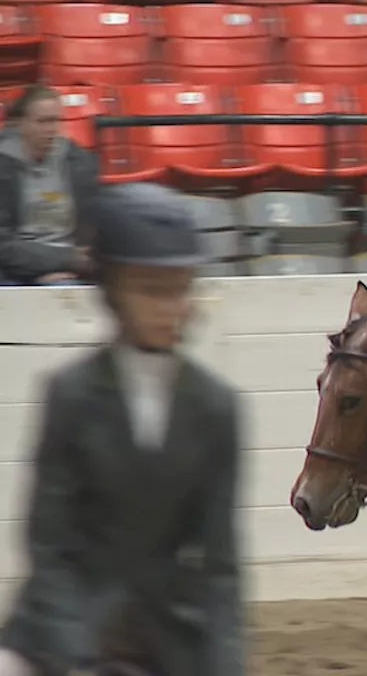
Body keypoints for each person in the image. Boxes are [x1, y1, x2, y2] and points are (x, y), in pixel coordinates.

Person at [0, 182, 246, 676]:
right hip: (65, 626)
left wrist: (224, 663)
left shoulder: (216, 410)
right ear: (112, 290)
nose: (168, 307)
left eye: (180, 288)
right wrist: (72, 657)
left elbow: (220, 567)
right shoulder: (70, 395)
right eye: (150, 290)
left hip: (168, 634)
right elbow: (49, 546)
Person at [0, 84, 99, 285]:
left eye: (56, 120)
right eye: (42, 121)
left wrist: (77, 262)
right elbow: (2, 245)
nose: (51, 129)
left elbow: (92, 229)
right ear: (20, 124)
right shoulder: (3, 166)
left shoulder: (79, 163)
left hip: (69, 267)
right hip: (13, 267)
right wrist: (61, 262)